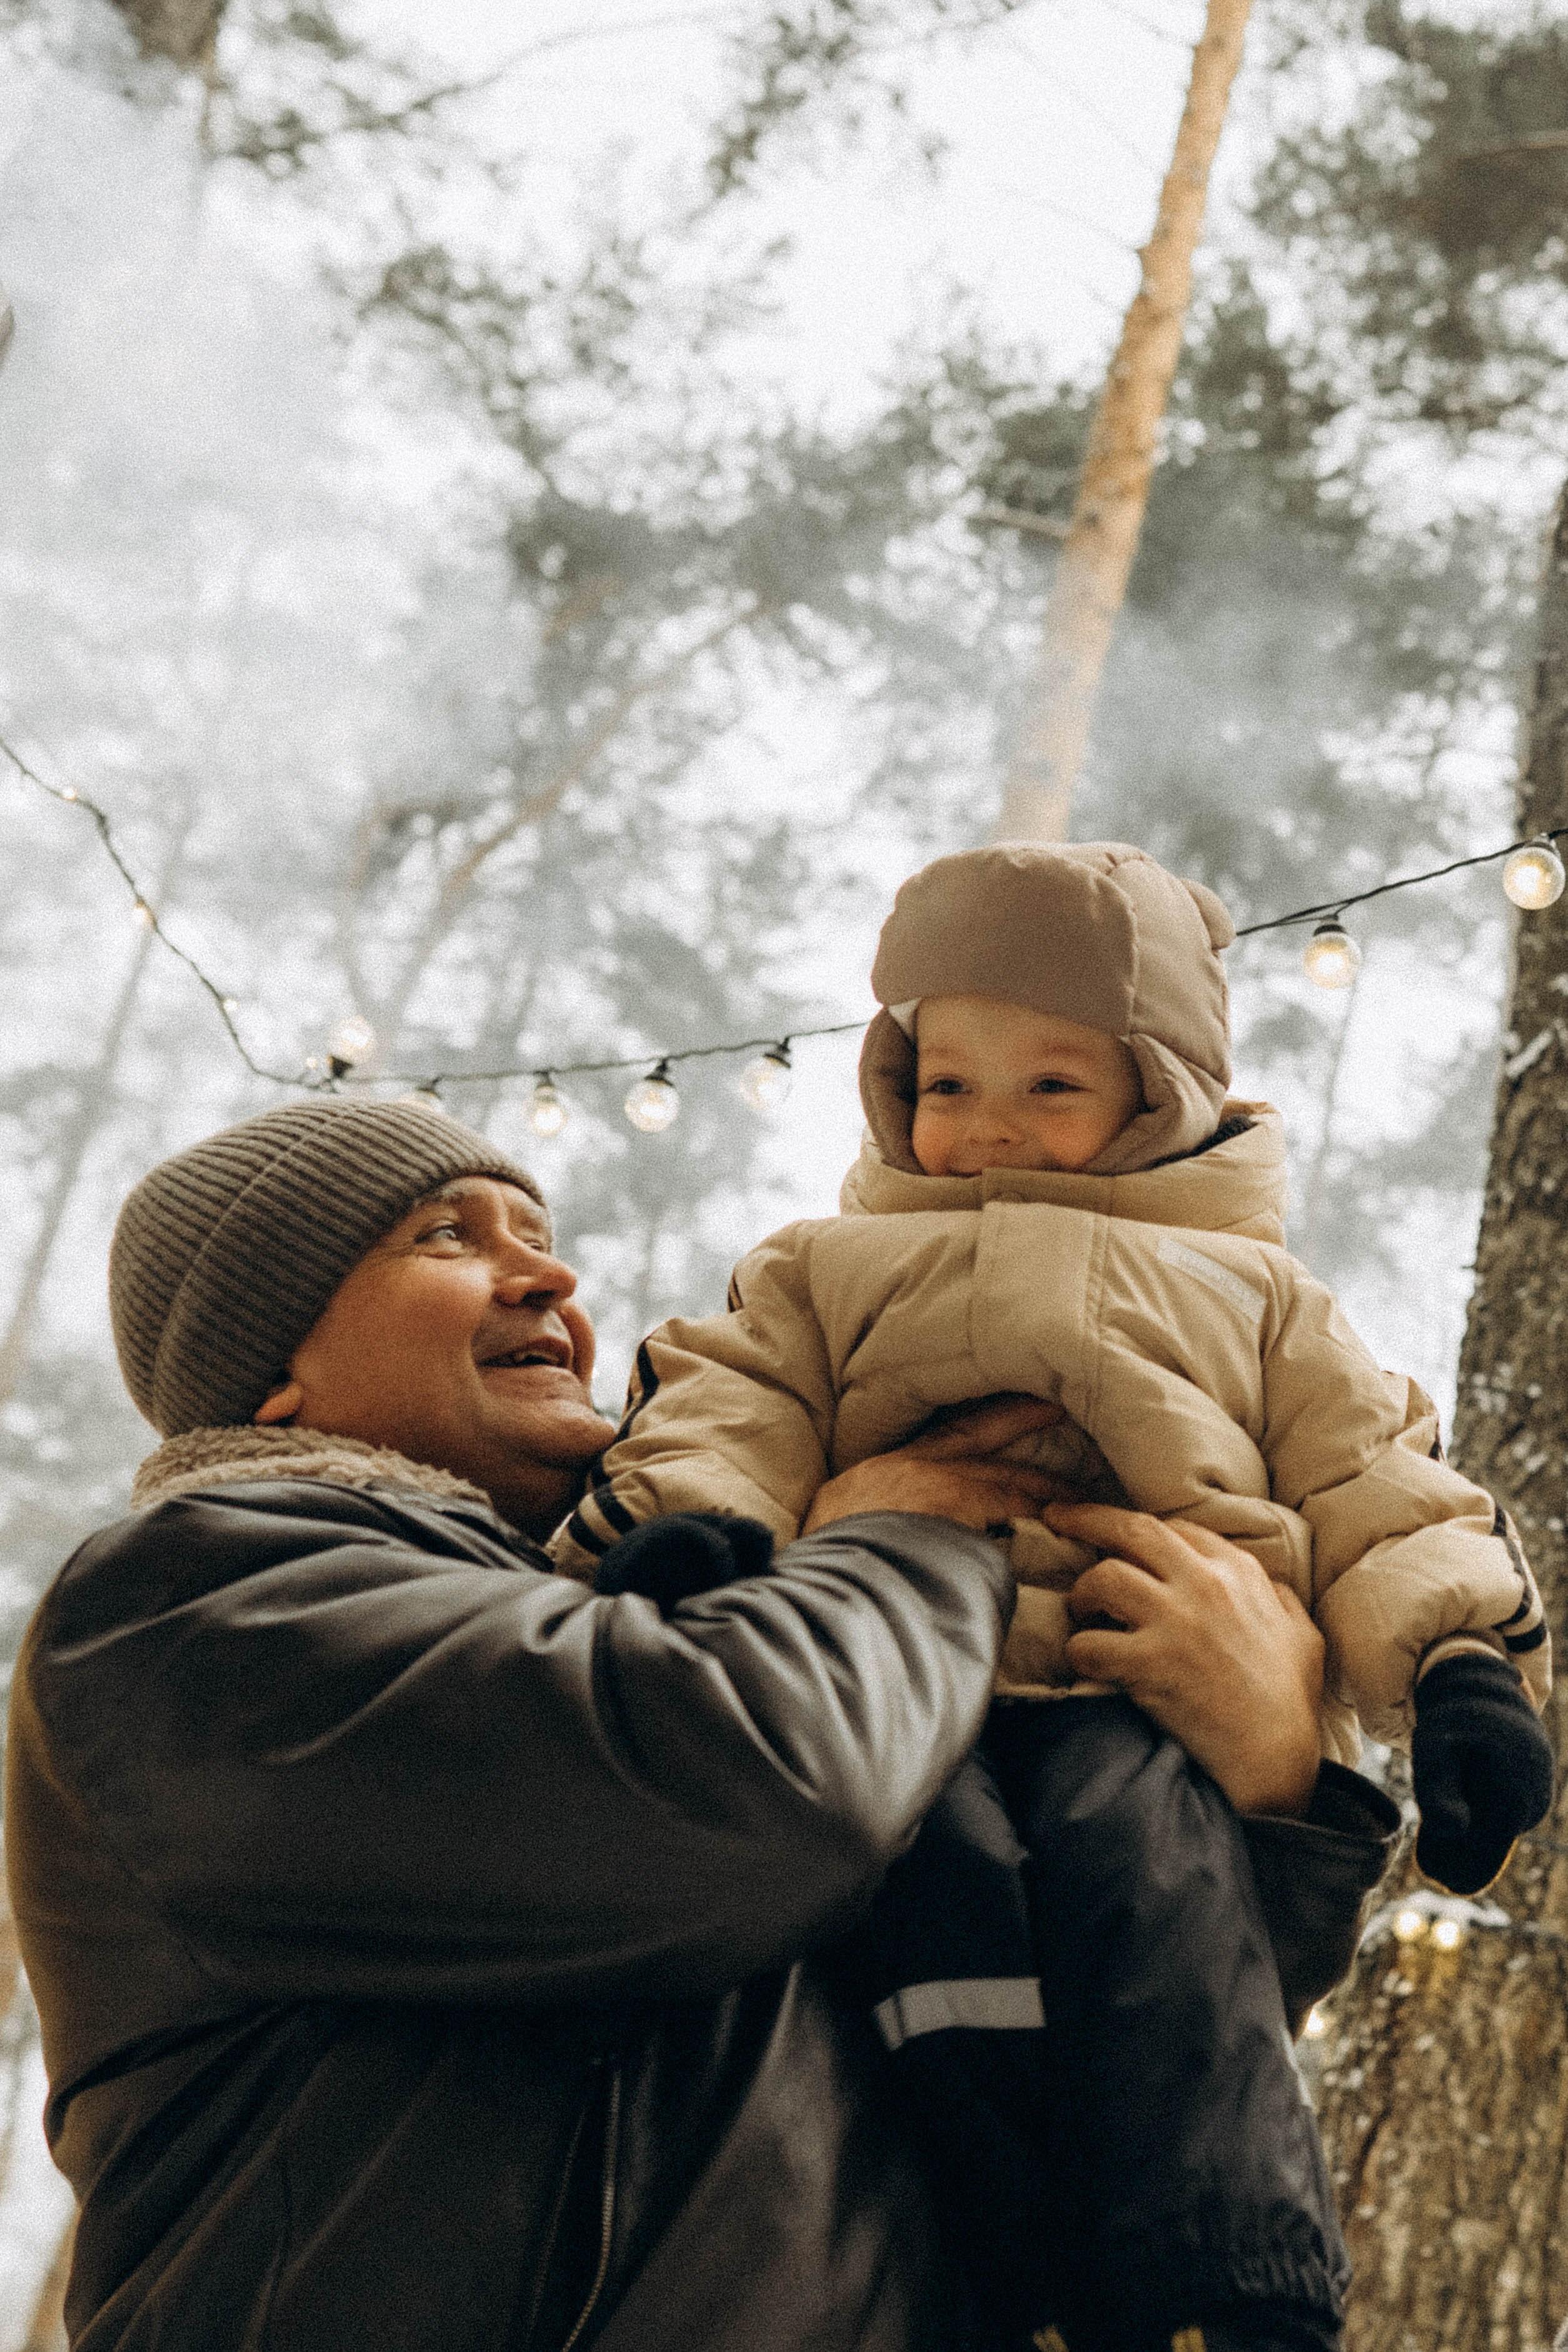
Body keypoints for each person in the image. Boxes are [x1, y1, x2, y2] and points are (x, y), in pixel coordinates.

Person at [6, 1095, 1398, 2352]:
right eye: (446, 1235)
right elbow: (753, 1799)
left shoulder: (670, 1633)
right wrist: (899, 1533)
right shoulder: (190, 1606)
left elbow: (1093, 2035)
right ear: (270, 1368)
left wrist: (1271, 1784)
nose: (549, 1275)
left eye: (542, 1238)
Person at [551, 843, 1556, 2352]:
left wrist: (1459, 1670)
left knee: (1161, 1918)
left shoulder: (1258, 1295)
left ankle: (1234, 2281)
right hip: (902, 1699)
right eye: (945, 1085)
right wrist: (695, 1541)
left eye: (1049, 1087)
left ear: (1157, 1095)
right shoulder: (822, 1267)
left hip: (1137, 1693)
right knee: (925, 1905)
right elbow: (727, 1408)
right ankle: (995, 2235)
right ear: (893, 1086)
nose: (980, 1128)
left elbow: (1377, 1484)